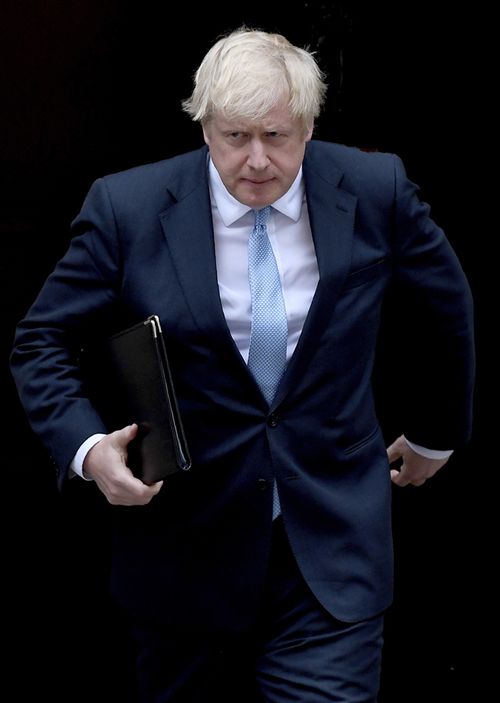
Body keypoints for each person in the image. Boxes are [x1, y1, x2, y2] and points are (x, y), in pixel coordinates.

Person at [10, 26, 474, 703]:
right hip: (182, 554)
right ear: (205, 129)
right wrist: (86, 448)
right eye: (235, 137)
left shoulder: (376, 189)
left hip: (330, 553)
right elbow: (41, 340)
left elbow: (447, 307)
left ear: (308, 128)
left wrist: (438, 430)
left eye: (277, 137)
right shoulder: (128, 207)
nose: (256, 160)